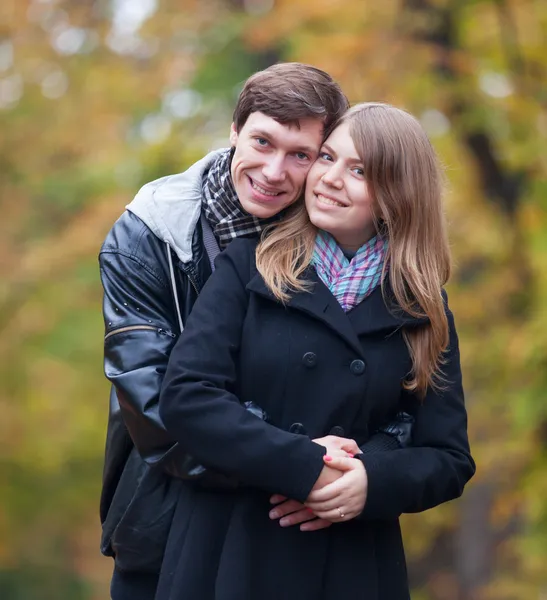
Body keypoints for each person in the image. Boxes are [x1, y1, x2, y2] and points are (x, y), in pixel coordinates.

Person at [99, 65, 411, 600]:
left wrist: (355, 477)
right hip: (171, 513)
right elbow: (154, 406)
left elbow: (395, 402)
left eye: (301, 155)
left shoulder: (342, 236)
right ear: (234, 132)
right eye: (262, 142)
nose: (273, 172)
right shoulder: (146, 236)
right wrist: (297, 466)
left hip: (312, 534)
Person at [156, 102, 476, 600]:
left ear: (399, 194)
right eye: (326, 158)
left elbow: (449, 457)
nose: (329, 179)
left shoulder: (423, 308)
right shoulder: (251, 265)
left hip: (350, 561)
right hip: (232, 548)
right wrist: (306, 467)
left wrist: (368, 482)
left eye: (359, 171)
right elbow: (187, 397)